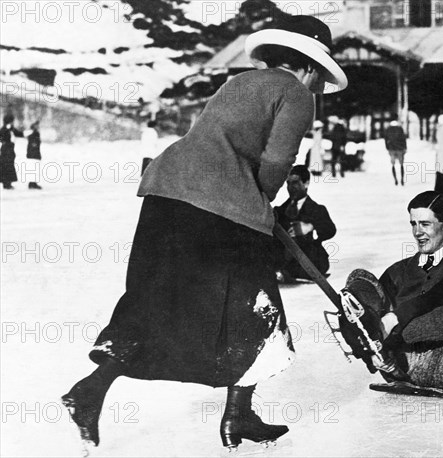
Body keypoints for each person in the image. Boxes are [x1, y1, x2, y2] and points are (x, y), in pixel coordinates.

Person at [61, 15, 347, 452]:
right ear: (309, 65)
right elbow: (277, 160)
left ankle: (91, 390)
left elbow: (214, 138)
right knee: (256, 306)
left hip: (166, 193)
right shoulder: (295, 93)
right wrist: (261, 202)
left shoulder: (239, 82)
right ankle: (238, 416)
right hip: (222, 206)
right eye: (317, 75)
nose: (315, 83)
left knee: (159, 297)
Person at [344, 191, 443, 394]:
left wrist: (393, 323)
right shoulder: (399, 270)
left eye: (425, 224)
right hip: (400, 364)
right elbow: (368, 310)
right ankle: (372, 347)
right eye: (413, 224)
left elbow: (440, 297)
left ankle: (384, 338)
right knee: (360, 279)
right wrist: (372, 353)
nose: (417, 232)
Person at [274, 165, 336, 283]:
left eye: (295, 183)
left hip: (310, 261)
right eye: (289, 183)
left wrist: (310, 227)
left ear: (306, 184)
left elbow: (330, 230)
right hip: (285, 261)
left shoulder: (317, 209)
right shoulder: (280, 210)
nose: (291, 187)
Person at [0, 114, 23, 190]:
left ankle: (8, 182)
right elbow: (1, 137)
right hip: (6, 149)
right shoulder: (4, 129)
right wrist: (7, 130)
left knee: (9, 165)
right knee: (5, 165)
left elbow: (19, 134)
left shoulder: (11, 129)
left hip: (10, 149)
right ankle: (6, 183)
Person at [384, 118, 407, 186]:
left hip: (391, 149)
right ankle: (402, 180)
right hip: (400, 148)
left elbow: (385, 139)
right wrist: (405, 147)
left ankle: (395, 180)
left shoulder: (388, 129)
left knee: (393, 164)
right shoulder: (400, 128)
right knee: (401, 164)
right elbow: (403, 138)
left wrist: (387, 147)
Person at [26, 121, 42, 190]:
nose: (38, 126)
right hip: (33, 153)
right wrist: (34, 145)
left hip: (34, 153)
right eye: (36, 125)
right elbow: (33, 143)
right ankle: (32, 183)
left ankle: (33, 183)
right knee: (33, 169)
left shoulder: (35, 133)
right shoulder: (33, 133)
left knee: (34, 169)